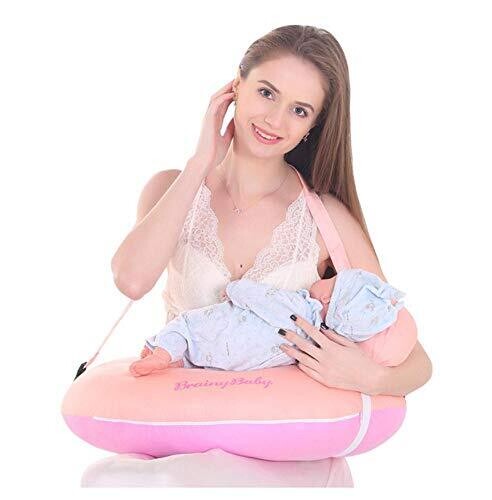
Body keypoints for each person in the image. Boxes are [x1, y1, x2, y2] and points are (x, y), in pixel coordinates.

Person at [82, 25, 433, 487]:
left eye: (299, 110)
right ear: (236, 86)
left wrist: (364, 375)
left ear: (312, 126)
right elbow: (131, 280)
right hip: (180, 453)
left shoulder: (325, 218)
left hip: (287, 465)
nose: (275, 120)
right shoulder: (171, 188)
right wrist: (200, 163)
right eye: (267, 92)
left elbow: (417, 362)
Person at [128, 269, 406, 376]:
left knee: (186, 326)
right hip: (234, 363)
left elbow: (263, 299)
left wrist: (236, 289)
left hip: (224, 329)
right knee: (202, 356)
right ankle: (174, 359)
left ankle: (163, 353)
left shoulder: (300, 306)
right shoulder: (313, 345)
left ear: (326, 299)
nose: (324, 280)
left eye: (331, 281)